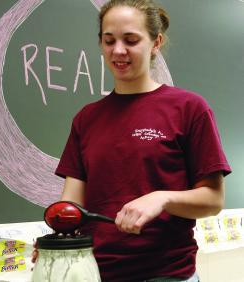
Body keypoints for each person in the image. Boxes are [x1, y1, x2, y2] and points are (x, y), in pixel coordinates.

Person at [33, 0, 231, 281]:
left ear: (156, 42)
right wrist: (56, 241)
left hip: (167, 274)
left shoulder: (189, 108)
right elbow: (72, 206)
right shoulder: (86, 119)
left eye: (131, 40)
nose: (118, 50)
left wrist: (162, 198)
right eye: (109, 40)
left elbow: (213, 200)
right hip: (95, 272)